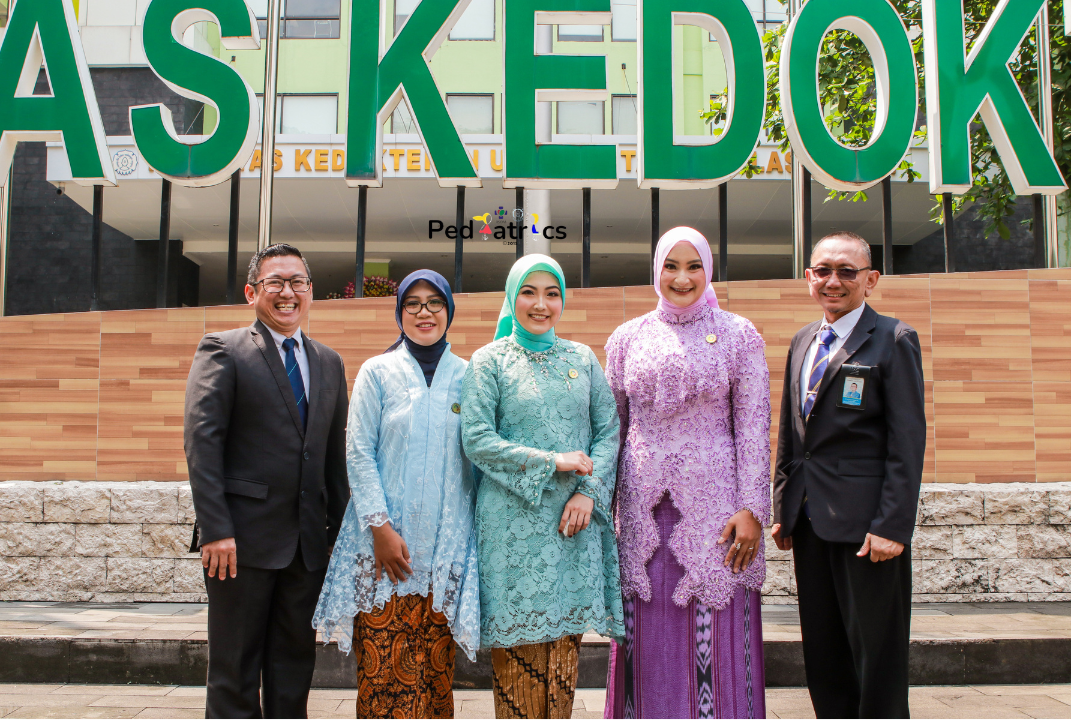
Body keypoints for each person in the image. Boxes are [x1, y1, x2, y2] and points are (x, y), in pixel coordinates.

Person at [602, 227, 771, 719]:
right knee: (644, 632)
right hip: (642, 513)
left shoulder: (739, 334)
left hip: (719, 515)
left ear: (708, 271)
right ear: (656, 271)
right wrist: (602, 510)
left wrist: (753, 509)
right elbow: (611, 429)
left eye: (693, 266)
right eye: (670, 266)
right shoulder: (627, 337)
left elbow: (754, 426)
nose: (682, 278)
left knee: (715, 636)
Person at [184, 243, 350, 718]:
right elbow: (202, 443)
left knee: (293, 666)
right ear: (251, 292)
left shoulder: (329, 362)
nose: (287, 292)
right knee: (235, 668)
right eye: (275, 282)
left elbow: (332, 458)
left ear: (310, 291)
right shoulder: (224, 349)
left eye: (297, 282)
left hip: (307, 546)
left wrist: (340, 537)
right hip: (240, 544)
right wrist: (216, 529)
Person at [460, 254, 624, 719]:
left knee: (563, 661)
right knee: (519, 667)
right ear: (512, 297)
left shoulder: (582, 358)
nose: (541, 304)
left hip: (572, 528)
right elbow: (476, 439)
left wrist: (588, 493)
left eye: (552, 294)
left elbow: (609, 431)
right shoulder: (489, 361)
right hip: (513, 534)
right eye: (528, 292)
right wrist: (553, 462)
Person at [771, 231, 926, 718]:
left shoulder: (894, 339)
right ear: (808, 277)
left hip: (868, 531)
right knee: (824, 652)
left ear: (871, 279)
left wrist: (892, 526)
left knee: (876, 656)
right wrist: (783, 508)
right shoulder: (803, 340)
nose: (833, 281)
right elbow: (792, 434)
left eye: (846, 271)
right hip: (810, 524)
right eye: (823, 271)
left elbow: (907, 442)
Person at [313, 270, 479, 718]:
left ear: (449, 311)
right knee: (382, 678)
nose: (425, 312)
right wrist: (381, 529)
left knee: (435, 678)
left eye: (435, 302)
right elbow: (358, 452)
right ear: (399, 312)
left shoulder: (470, 376)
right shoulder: (378, 372)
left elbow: (477, 458)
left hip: (443, 553)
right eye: (413, 303)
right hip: (382, 552)